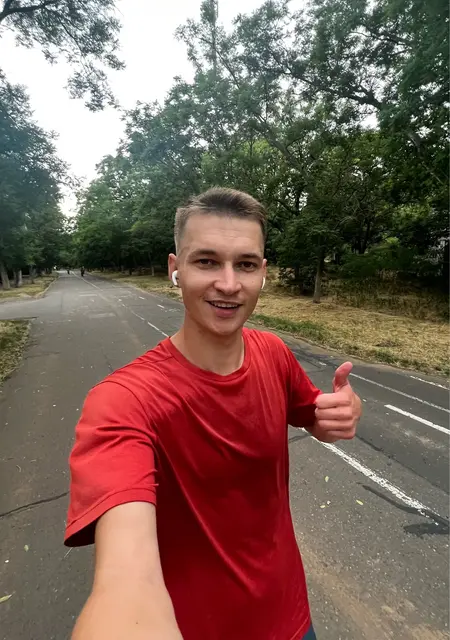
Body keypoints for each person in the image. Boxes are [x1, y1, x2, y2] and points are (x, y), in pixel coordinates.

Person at [65, 188, 361, 640]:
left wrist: (340, 413)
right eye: (206, 261)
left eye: (245, 264)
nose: (228, 284)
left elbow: (315, 418)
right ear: (176, 269)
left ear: (263, 273)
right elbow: (126, 582)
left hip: (293, 619)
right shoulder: (123, 401)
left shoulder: (273, 353)